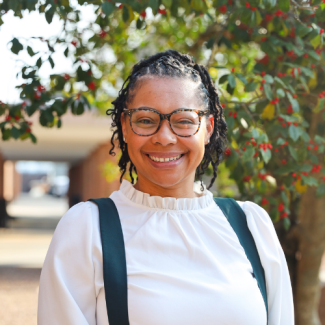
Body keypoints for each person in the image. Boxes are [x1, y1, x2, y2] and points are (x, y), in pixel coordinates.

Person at [38, 50, 294, 325]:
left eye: (184, 121)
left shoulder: (250, 225)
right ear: (125, 127)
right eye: (146, 120)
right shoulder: (88, 228)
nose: (164, 137)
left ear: (207, 128)